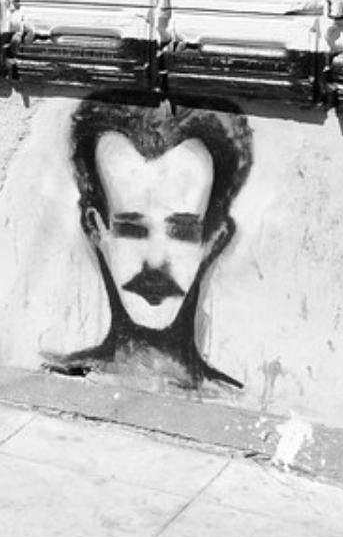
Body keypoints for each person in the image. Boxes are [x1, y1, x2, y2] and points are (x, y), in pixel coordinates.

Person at [40, 93, 254, 390]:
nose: (155, 261)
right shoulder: (64, 380)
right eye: (131, 229)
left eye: (182, 232)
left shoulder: (231, 400)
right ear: (95, 229)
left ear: (214, 240)